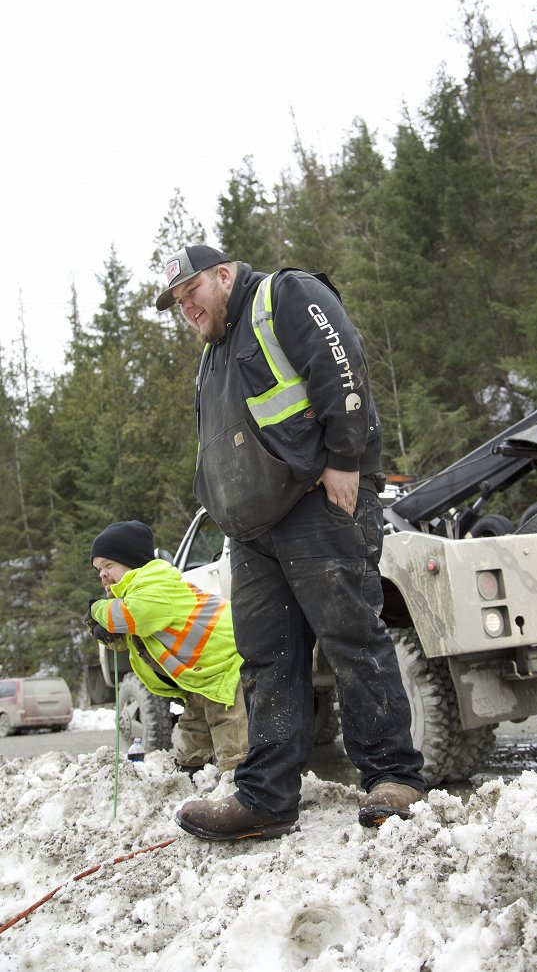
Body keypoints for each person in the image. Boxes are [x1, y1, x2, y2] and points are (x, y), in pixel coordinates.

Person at [156, 245, 424, 842]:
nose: (186, 307)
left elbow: (342, 364)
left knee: (351, 638)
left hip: (315, 500)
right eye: (177, 303)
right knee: (266, 659)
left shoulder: (283, 296)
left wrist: (346, 459)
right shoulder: (214, 353)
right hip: (253, 530)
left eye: (191, 291)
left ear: (223, 275)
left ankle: (394, 777)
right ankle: (266, 797)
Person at [87, 519, 248, 777]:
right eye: (98, 569)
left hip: (227, 665)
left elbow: (132, 615)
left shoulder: (156, 585)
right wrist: (114, 637)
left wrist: (97, 610)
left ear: (133, 563)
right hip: (201, 675)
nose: (103, 574)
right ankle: (189, 769)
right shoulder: (135, 595)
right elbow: (139, 632)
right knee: (194, 725)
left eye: (109, 565)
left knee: (228, 725)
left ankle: (239, 778)